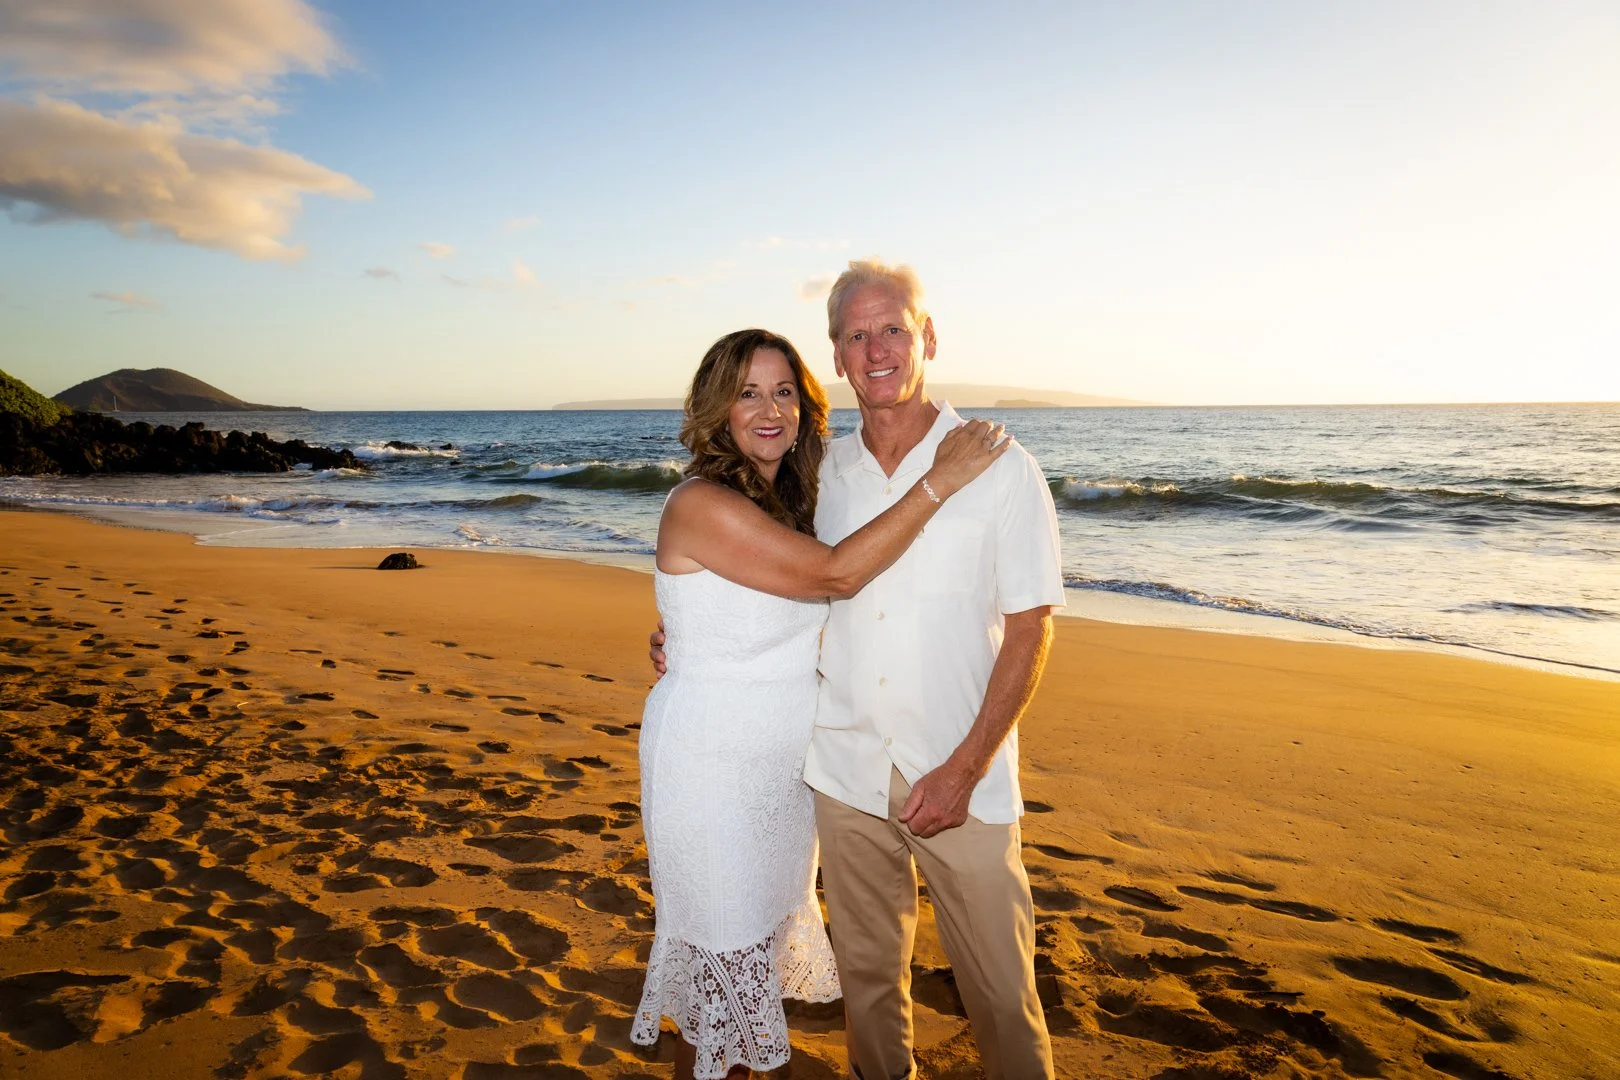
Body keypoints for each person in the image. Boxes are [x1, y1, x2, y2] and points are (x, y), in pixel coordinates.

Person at [652, 262, 1065, 1079]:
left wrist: (967, 764)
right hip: (838, 775)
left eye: (893, 329)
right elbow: (797, 576)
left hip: (959, 777)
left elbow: (1030, 629)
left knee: (1002, 994)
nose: (876, 349)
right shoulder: (819, 478)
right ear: (836, 357)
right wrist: (682, 633)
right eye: (855, 335)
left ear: (928, 338)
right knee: (871, 988)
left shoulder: (999, 465)